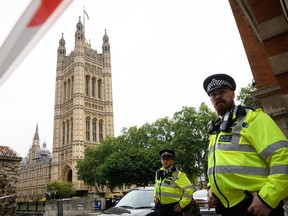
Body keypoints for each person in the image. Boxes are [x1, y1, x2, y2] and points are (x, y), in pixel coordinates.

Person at [203, 73, 288, 216]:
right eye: (213, 94)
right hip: (227, 207)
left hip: (256, 205)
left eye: (222, 92)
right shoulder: (215, 130)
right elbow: (217, 165)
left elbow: (283, 156)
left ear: (233, 94)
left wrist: (267, 198)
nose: (217, 96)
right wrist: (211, 189)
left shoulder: (254, 118)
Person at [154, 149, 194, 216]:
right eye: (163, 159)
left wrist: (182, 204)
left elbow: (189, 190)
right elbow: (156, 186)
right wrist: (155, 196)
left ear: (172, 161)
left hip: (174, 208)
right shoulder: (158, 172)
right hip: (161, 208)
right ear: (161, 160)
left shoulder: (179, 174)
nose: (165, 161)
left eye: (168, 159)